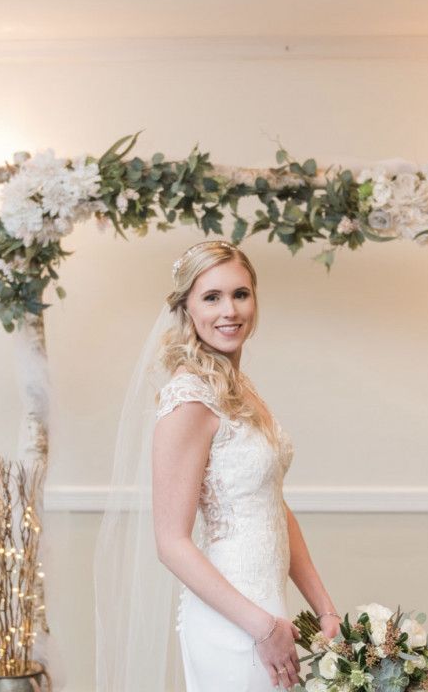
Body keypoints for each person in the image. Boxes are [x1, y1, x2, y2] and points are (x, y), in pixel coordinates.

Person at [93, 239, 341, 692]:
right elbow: (171, 543)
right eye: (212, 297)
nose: (230, 310)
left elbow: (273, 507)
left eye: (240, 294)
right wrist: (261, 628)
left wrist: (323, 607)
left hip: (268, 606)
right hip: (234, 618)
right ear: (187, 309)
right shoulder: (190, 399)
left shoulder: (239, 389)